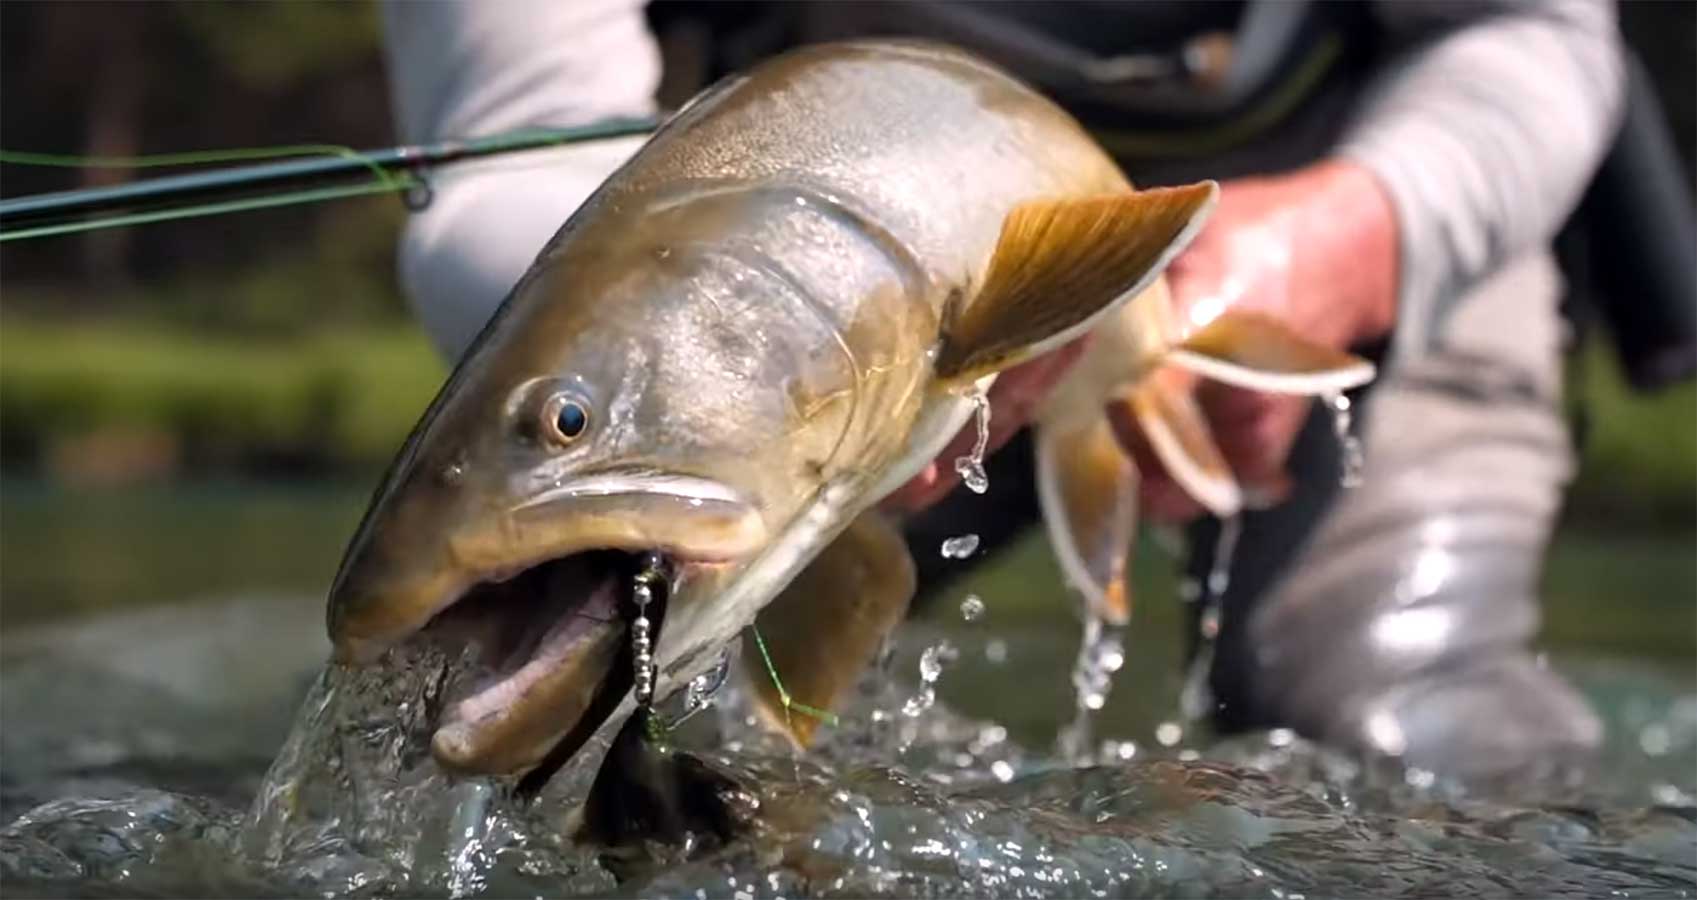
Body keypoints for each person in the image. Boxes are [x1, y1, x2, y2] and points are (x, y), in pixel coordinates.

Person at [378, 1, 1626, 779]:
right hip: (826, 281)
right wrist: (815, 357)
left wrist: (1356, 235)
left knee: (1384, 731)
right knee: (644, 763)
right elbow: (522, 136)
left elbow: (1531, 34)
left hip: (1366, 187)